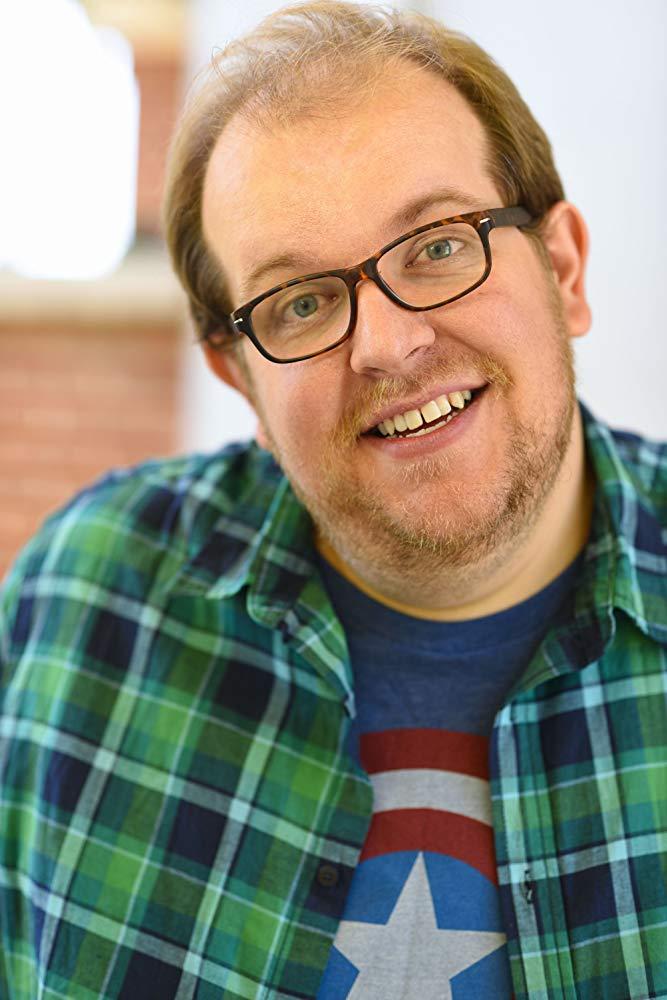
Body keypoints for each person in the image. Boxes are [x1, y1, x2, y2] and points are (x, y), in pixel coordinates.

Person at [1, 2, 665, 997]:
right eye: (301, 302)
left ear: (562, 269)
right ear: (241, 384)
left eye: (438, 245)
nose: (389, 345)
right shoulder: (84, 603)